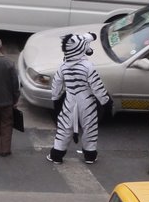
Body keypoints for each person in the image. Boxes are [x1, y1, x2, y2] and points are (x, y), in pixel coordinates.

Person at [47, 32, 111, 165]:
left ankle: (57, 155)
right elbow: (96, 86)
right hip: (87, 99)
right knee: (90, 127)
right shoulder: (88, 66)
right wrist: (105, 101)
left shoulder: (63, 67)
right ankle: (90, 155)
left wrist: (56, 99)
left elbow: (56, 85)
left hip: (70, 99)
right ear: (81, 48)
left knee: (64, 127)